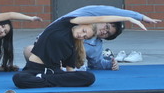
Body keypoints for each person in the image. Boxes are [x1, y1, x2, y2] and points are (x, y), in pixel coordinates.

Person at [13, 15, 147, 88]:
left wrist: (110, 64)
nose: (82, 35)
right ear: (81, 24)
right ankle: (45, 79)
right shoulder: (63, 25)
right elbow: (96, 17)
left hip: (53, 73)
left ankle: (44, 80)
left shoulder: (75, 46)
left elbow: (72, 70)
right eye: (83, 31)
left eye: (86, 36)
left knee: (88, 77)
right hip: (35, 69)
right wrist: (129, 17)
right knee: (19, 78)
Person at [23, 5, 161, 71]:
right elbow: (111, 11)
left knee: (84, 73)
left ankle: (57, 71)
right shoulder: (81, 17)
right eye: (106, 27)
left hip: (66, 64)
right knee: (29, 49)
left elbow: (96, 63)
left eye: (107, 34)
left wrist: (111, 64)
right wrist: (140, 17)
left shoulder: (96, 43)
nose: (103, 31)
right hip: (47, 51)